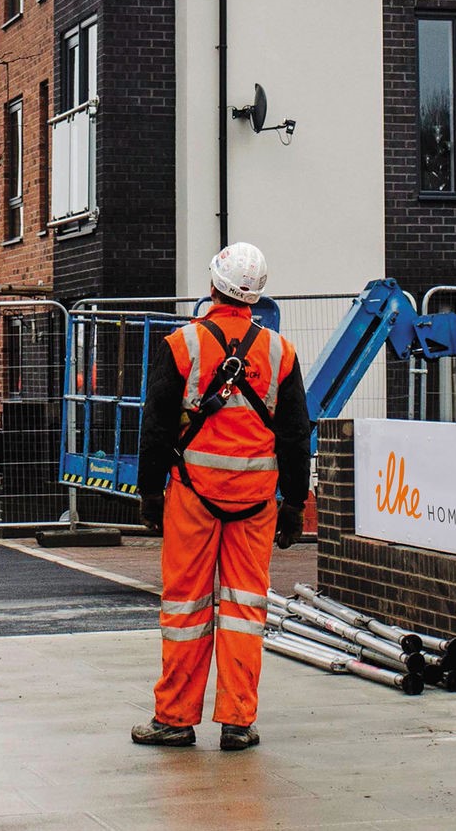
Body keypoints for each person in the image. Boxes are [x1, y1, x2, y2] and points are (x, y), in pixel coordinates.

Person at [130, 242, 311, 754]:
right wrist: (295, 501)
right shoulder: (280, 353)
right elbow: (297, 433)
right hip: (256, 501)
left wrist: (148, 492)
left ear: (212, 286)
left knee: (187, 607)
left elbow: (156, 425)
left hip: (192, 496)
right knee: (242, 609)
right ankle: (237, 721)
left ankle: (175, 719)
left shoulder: (182, 344)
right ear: (256, 297)